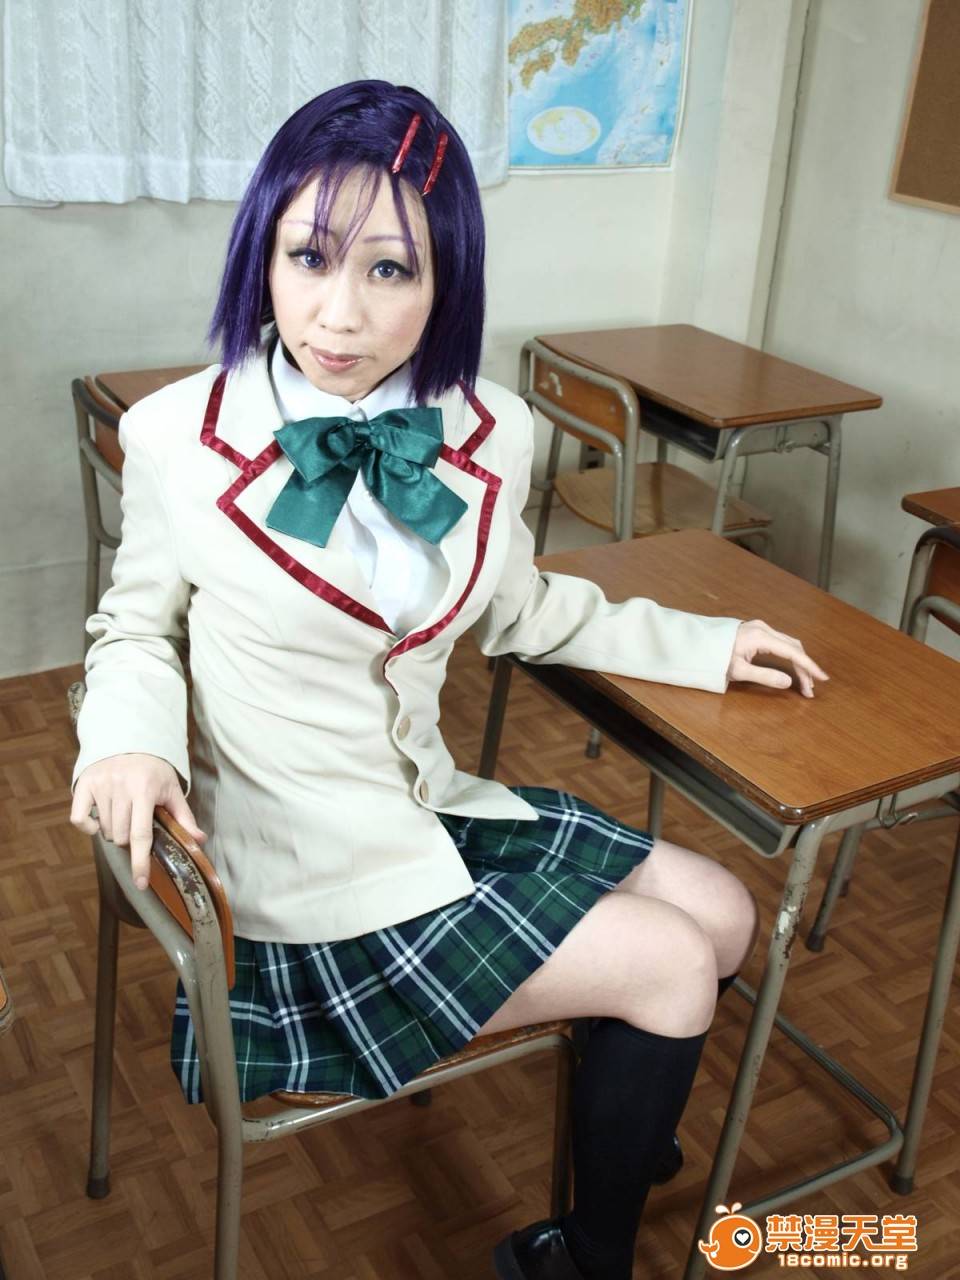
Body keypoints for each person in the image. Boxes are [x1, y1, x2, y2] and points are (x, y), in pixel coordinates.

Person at [70, 81, 827, 1280]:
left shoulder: (490, 427)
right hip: (305, 886)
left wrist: (704, 641)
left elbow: (522, 605)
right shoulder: (175, 434)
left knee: (727, 911)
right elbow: (133, 628)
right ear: (262, 249)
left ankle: (619, 1126)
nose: (340, 312)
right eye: (309, 256)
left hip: (428, 808)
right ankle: (584, 1249)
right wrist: (128, 738)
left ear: (448, 280)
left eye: (391, 269)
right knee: (676, 960)